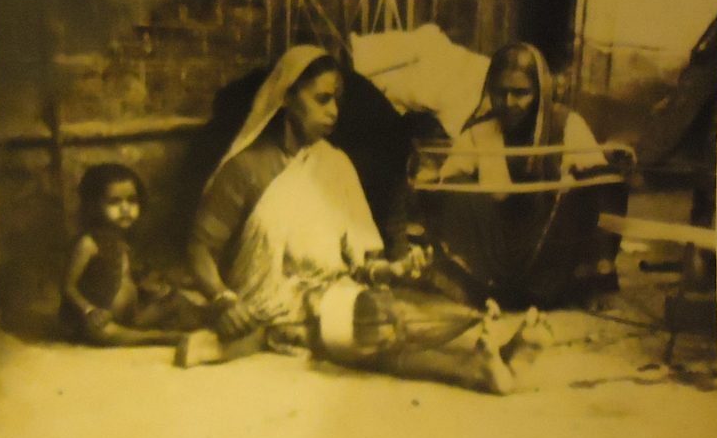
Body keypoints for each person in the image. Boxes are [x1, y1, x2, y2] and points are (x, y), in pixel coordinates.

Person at [181, 45, 541, 394]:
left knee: (396, 308)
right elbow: (200, 248)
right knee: (378, 319)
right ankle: (475, 366)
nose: (334, 110)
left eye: (336, 98)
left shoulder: (334, 164)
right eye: (322, 99)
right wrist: (223, 299)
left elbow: (361, 262)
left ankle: (487, 355)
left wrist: (392, 271)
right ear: (288, 98)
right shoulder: (244, 170)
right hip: (270, 304)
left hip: (330, 294)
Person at [421, 41, 628, 309]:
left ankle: (583, 285)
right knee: (455, 191)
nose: (508, 103)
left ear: (540, 91)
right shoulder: (481, 131)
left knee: (600, 184)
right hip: (497, 243)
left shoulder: (565, 125)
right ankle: (475, 285)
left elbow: (598, 176)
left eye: (520, 93)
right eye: (500, 92)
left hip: (549, 243)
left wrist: (576, 179)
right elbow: (447, 180)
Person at [60, 163, 190, 346]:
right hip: (101, 317)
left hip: (132, 314)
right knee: (101, 332)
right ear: (93, 205)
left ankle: (211, 316)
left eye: (132, 200)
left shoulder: (125, 240)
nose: (125, 209)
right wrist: (90, 310)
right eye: (114, 202)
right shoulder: (88, 244)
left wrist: (151, 286)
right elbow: (68, 288)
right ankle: (159, 338)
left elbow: (131, 274)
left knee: (175, 300)